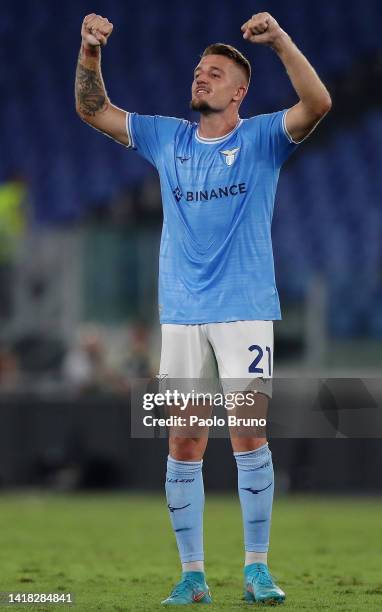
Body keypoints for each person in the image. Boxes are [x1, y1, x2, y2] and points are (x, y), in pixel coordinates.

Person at [75, 11, 331, 605]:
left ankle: (257, 569)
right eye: (198, 71)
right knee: (184, 441)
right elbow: (93, 110)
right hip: (182, 312)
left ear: (240, 91)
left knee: (247, 435)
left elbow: (317, 102)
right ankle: (192, 576)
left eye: (214, 74)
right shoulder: (169, 138)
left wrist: (282, 43)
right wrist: (90, 51)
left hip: (244, 308)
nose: (201, 79)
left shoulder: (263, 137)